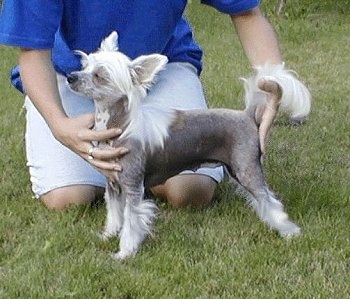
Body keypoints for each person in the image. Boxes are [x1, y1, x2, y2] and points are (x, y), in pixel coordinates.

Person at [0, 1, 286, 210]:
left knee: (190, 192)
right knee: (69, 199)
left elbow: (247, 12)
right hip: (70, 75)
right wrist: (58, 123)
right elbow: (32, 52)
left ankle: (141, 170)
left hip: (158, 69)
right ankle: (134, 171)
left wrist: (269, 85)